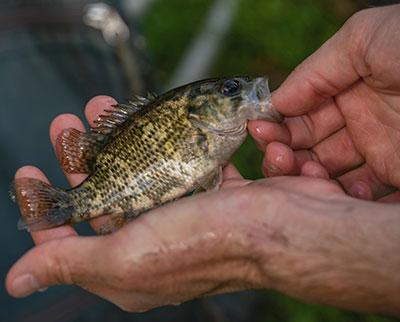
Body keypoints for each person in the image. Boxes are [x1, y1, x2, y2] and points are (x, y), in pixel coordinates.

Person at [5, 4, 400, 316]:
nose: (242, 90)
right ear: (200, 112)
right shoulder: (202, 131)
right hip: (116, 184)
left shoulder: (216, 133)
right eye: (230, 90)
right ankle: (62, 205)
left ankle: (62, 207)